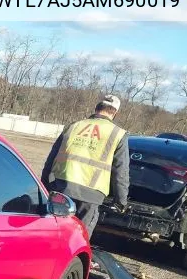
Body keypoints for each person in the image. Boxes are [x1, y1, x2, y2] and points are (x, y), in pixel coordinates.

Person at [41, 94, 130, 238]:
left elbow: (51, 158)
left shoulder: (73, 126)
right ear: (115, 113)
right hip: (90, 195)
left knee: (55, 234)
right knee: (79, 239)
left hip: (61, 188)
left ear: (96, 108)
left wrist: (44, 184)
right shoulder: (118, 134)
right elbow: (120, 171)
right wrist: (121, 200)